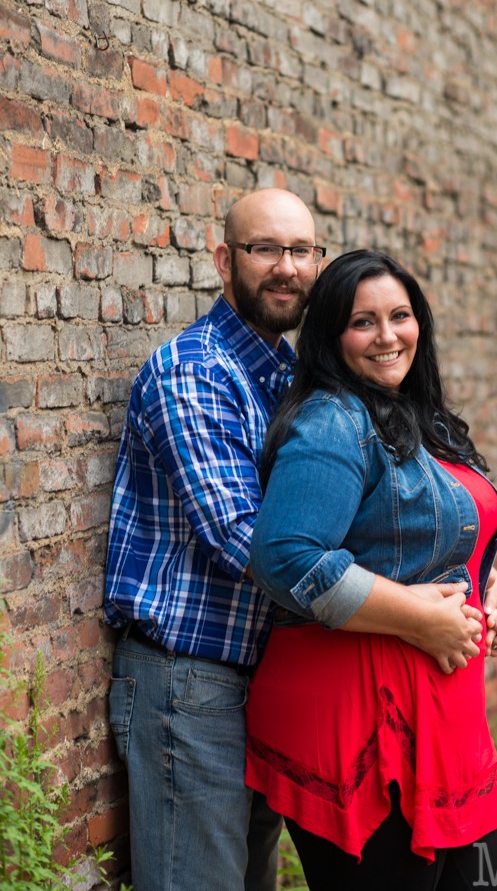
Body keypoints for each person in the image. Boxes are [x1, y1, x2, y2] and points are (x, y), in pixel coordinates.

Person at [245, 250, 497, 891]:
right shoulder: (334, 421)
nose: (387, 336)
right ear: (330, 336)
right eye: (362, 322)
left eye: (400, 316)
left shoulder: (421, 416)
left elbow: (440, 528)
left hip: (445, 718)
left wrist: (486, 582)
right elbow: (285, 556)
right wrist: (423, 622)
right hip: (359, 719)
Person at [103, 189, 327, 891]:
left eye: (301, 251)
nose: (286, 267)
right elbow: (244, 541)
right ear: (225, 260)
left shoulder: (288, 377)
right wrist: (395, 597)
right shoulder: (196, 371)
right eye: (266, 250)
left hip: (261, 678)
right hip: (191, 685)